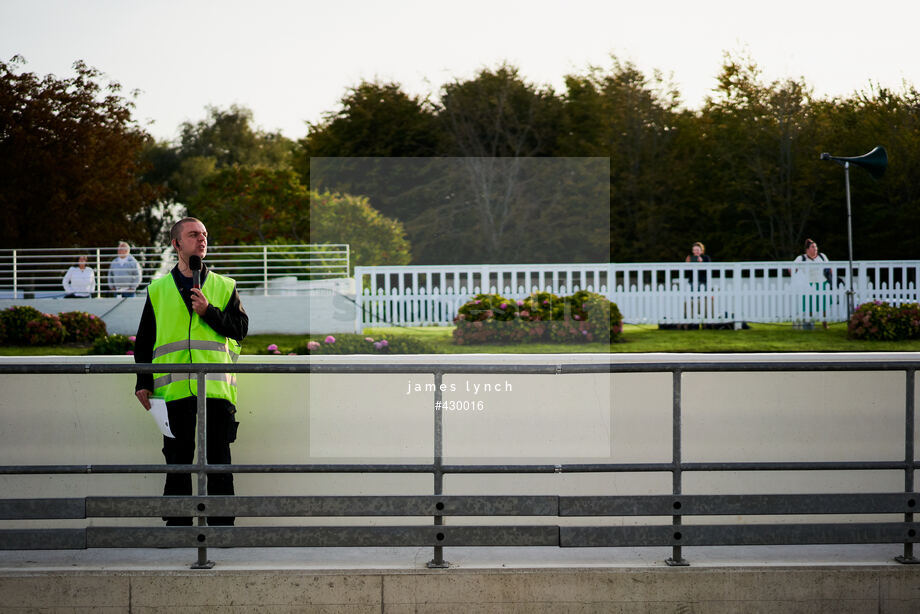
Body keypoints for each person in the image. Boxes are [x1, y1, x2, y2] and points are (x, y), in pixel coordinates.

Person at [133, 217, 248, 526]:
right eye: (194, 234)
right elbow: (144, 341)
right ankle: (178, 527)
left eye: (205, 235)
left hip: (215, 390)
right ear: (177, 244)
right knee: (178, 461)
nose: (202, 240)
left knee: (219, 462)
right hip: (173, 391)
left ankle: (222, 527)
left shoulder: (224, 286)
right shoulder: (157, 290)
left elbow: (240, 329)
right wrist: (142, 381)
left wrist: (208, 312)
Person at [792, 238, 831, 329]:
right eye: (813, 247)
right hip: (808, 284)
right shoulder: (801, 258)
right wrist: (796, 275)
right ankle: (809, 323)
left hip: (822, 283)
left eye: (816, 246)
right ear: (807, 249)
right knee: (809, 305)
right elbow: (792, 268)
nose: (815, 248)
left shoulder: (822, 256)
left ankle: (825, 324)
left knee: (823, 305)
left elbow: (830, 268)